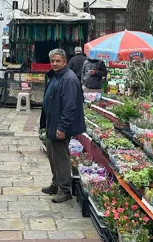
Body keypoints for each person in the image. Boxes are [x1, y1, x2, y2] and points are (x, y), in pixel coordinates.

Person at [39, 49, 86, 203]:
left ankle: (65, 190)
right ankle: (56, 183)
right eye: (52, 61)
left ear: (65, 61)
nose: (54, 63)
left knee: (60, 157)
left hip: (60, 126)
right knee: (52, 155)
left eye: (58, 61)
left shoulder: (68, 79)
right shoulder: (57, 76)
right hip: (52, 122)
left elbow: (70, 106)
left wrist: (62, 127)